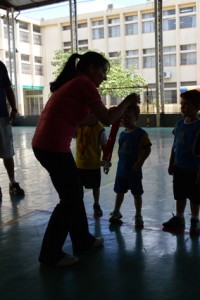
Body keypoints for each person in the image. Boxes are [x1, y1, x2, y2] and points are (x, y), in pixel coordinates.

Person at [32, 51, 140, 266]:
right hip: (52, 146)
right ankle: (50, 254)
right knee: (70, 198)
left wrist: (112, 112)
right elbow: (108, 120)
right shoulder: (83, 83)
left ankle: (82, 240)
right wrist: (127, 101)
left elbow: (84, 119)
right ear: (91, 68)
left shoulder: (74, 82)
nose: (104, 77)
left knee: (74, 193)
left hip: (47, 144)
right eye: (103, 71)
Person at [162, 89, 200, 236]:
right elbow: (175, 145)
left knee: (194, 197)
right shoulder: (179, 124)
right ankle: (179, 217)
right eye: (182, 104)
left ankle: (194, 220)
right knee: (180, 195)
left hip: (193, 170)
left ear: (197, 107)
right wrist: (171, 162)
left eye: (186, 105)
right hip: (179, 168)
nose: (182, 107)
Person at [109, 103, 151, 228]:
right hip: (121, 171)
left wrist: (140, 162)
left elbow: (147, 149)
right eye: (123, 117)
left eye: (128, 116)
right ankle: (117, 211)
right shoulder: (122, 134)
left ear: (136, 117)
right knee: (119, 192)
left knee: (137, 194)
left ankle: (138, 215)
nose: (124, 119)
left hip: (134, 172)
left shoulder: (141, 134)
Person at [0, 60, 25, 199]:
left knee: (7, 153)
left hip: (2, 116)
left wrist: (14, 109)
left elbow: (8, 89)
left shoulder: (0, 66)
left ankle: (12, 182)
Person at [75, 120, 107, 218]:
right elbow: (72, 135)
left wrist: (106, 163)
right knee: (78, 188)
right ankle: (79, 206)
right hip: (79, 164)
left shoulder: (99, 129)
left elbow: (104, 147)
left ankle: (96, 204)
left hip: (93, 164)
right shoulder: (79, 125)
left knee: (95, 186)